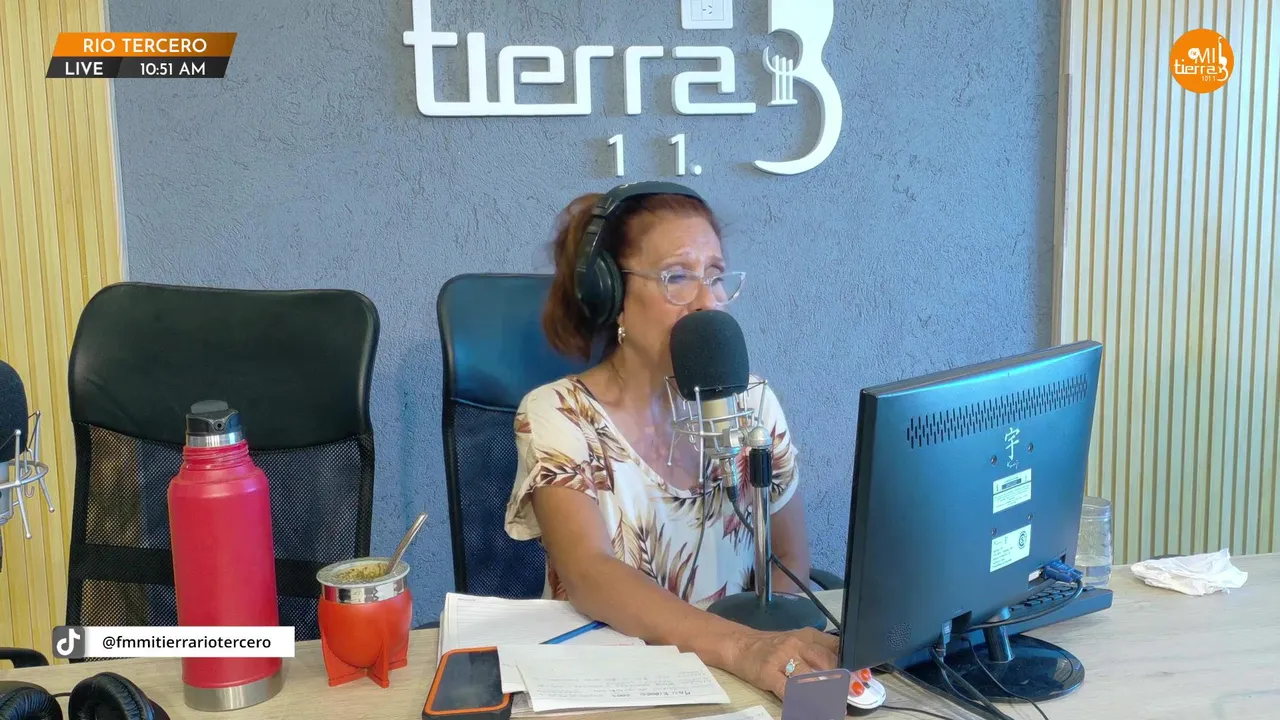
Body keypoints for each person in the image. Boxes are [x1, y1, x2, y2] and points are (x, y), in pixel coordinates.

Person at [503, 182, 838, 698]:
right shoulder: (558, 414)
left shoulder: (752, 403)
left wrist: (782, 651)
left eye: (716, 276)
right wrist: (743, 649)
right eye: (677, 277)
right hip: (615, 687)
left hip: (743, 682)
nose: (708, 301)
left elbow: (790, 556)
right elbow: (589, 572)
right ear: (611, 297)